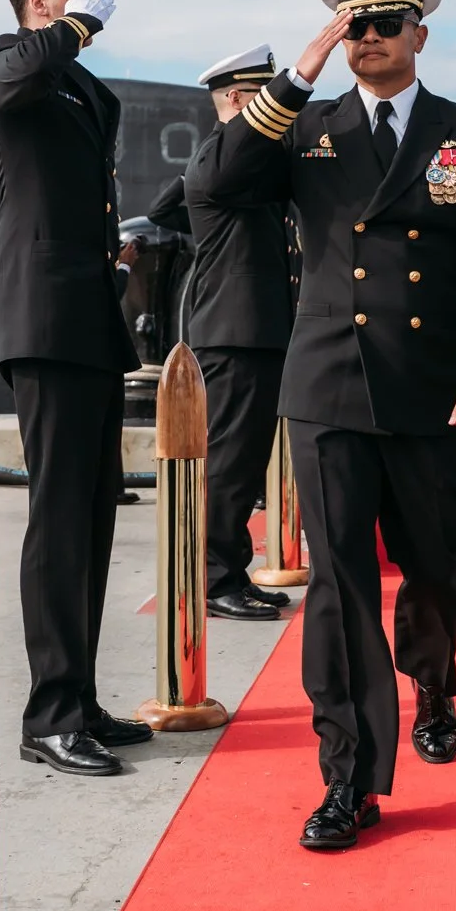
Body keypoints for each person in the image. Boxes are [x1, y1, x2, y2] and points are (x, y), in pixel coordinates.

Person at [195, 0, 456, 849]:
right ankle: (347, 776)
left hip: (432, 388)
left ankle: (433, 682)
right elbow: (216, 184)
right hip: (329, 386)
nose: (369, 39)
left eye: (386, 24)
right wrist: (295, 74)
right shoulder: (304, 128)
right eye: (355, 26)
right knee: (338, 586)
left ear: (419, 34)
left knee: (431, 562)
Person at [0, 0, 151, 778]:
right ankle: (47, 714)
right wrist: (70, 32)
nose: (88, 3)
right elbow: (16, 82)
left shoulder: (80, 87)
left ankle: (76, 697)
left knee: (91, 512)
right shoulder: (12, 60)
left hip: (86, 313)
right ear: (39, 0)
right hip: (43, 315)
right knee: (56, 516)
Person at [149, 44, 295, 623]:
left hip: (254, 329)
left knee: (243, 460)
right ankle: (211, 580)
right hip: (234, 330)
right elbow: (174, 203)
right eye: (261, 97)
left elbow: (168, 205)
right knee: (229, 463)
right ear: (235, 99)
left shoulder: (236, 164)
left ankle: (230, 570)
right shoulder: (222, 161)